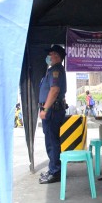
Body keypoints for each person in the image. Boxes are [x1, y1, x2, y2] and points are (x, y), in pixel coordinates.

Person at [39, 45, 67, 184]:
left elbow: (54, 90)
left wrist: (45, 109)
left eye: (50, 54)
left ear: (56, 56)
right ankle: (53, 169)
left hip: (52, 111)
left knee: (52, 141)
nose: (48, 57)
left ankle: (55, 172)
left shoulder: (56, 70)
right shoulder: (53, 70)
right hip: (53, 110)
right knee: (51, 140)